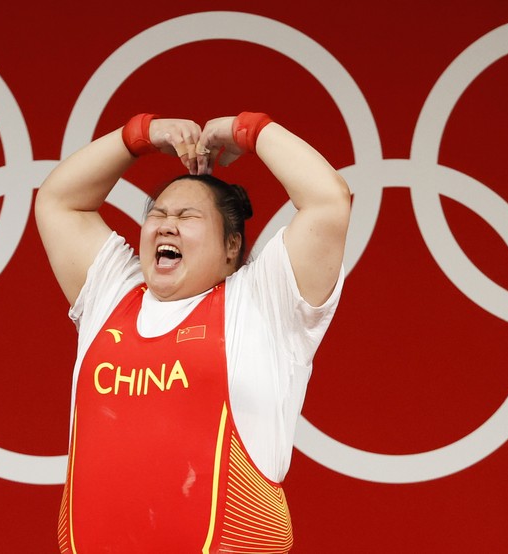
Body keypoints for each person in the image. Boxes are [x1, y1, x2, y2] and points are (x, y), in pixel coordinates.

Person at [36, 112, 350, 553]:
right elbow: (58, 200)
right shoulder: (112, 292)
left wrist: (251, 130)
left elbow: (328, 200)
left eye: (187, 216)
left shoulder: (262, 302)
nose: (166, 224)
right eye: (158, 214)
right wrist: (140, 135)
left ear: (232, 245)